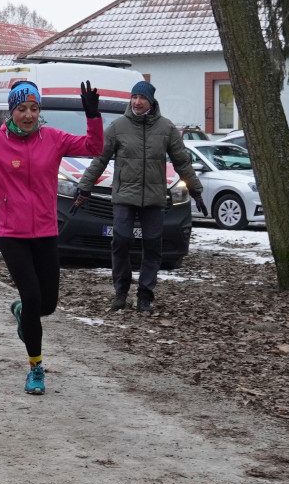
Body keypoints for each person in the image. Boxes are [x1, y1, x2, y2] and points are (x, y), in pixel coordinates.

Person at [0, 79, 103, 395]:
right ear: (11, 111)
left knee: (47, 305)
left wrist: (93, 116)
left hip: (46, 231)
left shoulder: (53, 138)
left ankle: (22, 312)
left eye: (34, 108)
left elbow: (94, 148)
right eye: (22, 109)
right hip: (12, 234)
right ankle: (36, 368)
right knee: (32, 298)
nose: (29, 115)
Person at [73, 80, 207, 313]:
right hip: (124, 196)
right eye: (134, 97)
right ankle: (121, 291)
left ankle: (145, 295)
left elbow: (182, 162)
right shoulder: (118, 127)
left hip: (154, 198)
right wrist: (84, 188)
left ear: (151, 101)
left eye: (142, 98)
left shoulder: (166, 128)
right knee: (121, 242)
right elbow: (99, 159)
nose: (137, 102)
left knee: (153, 246)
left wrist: (196, 190)